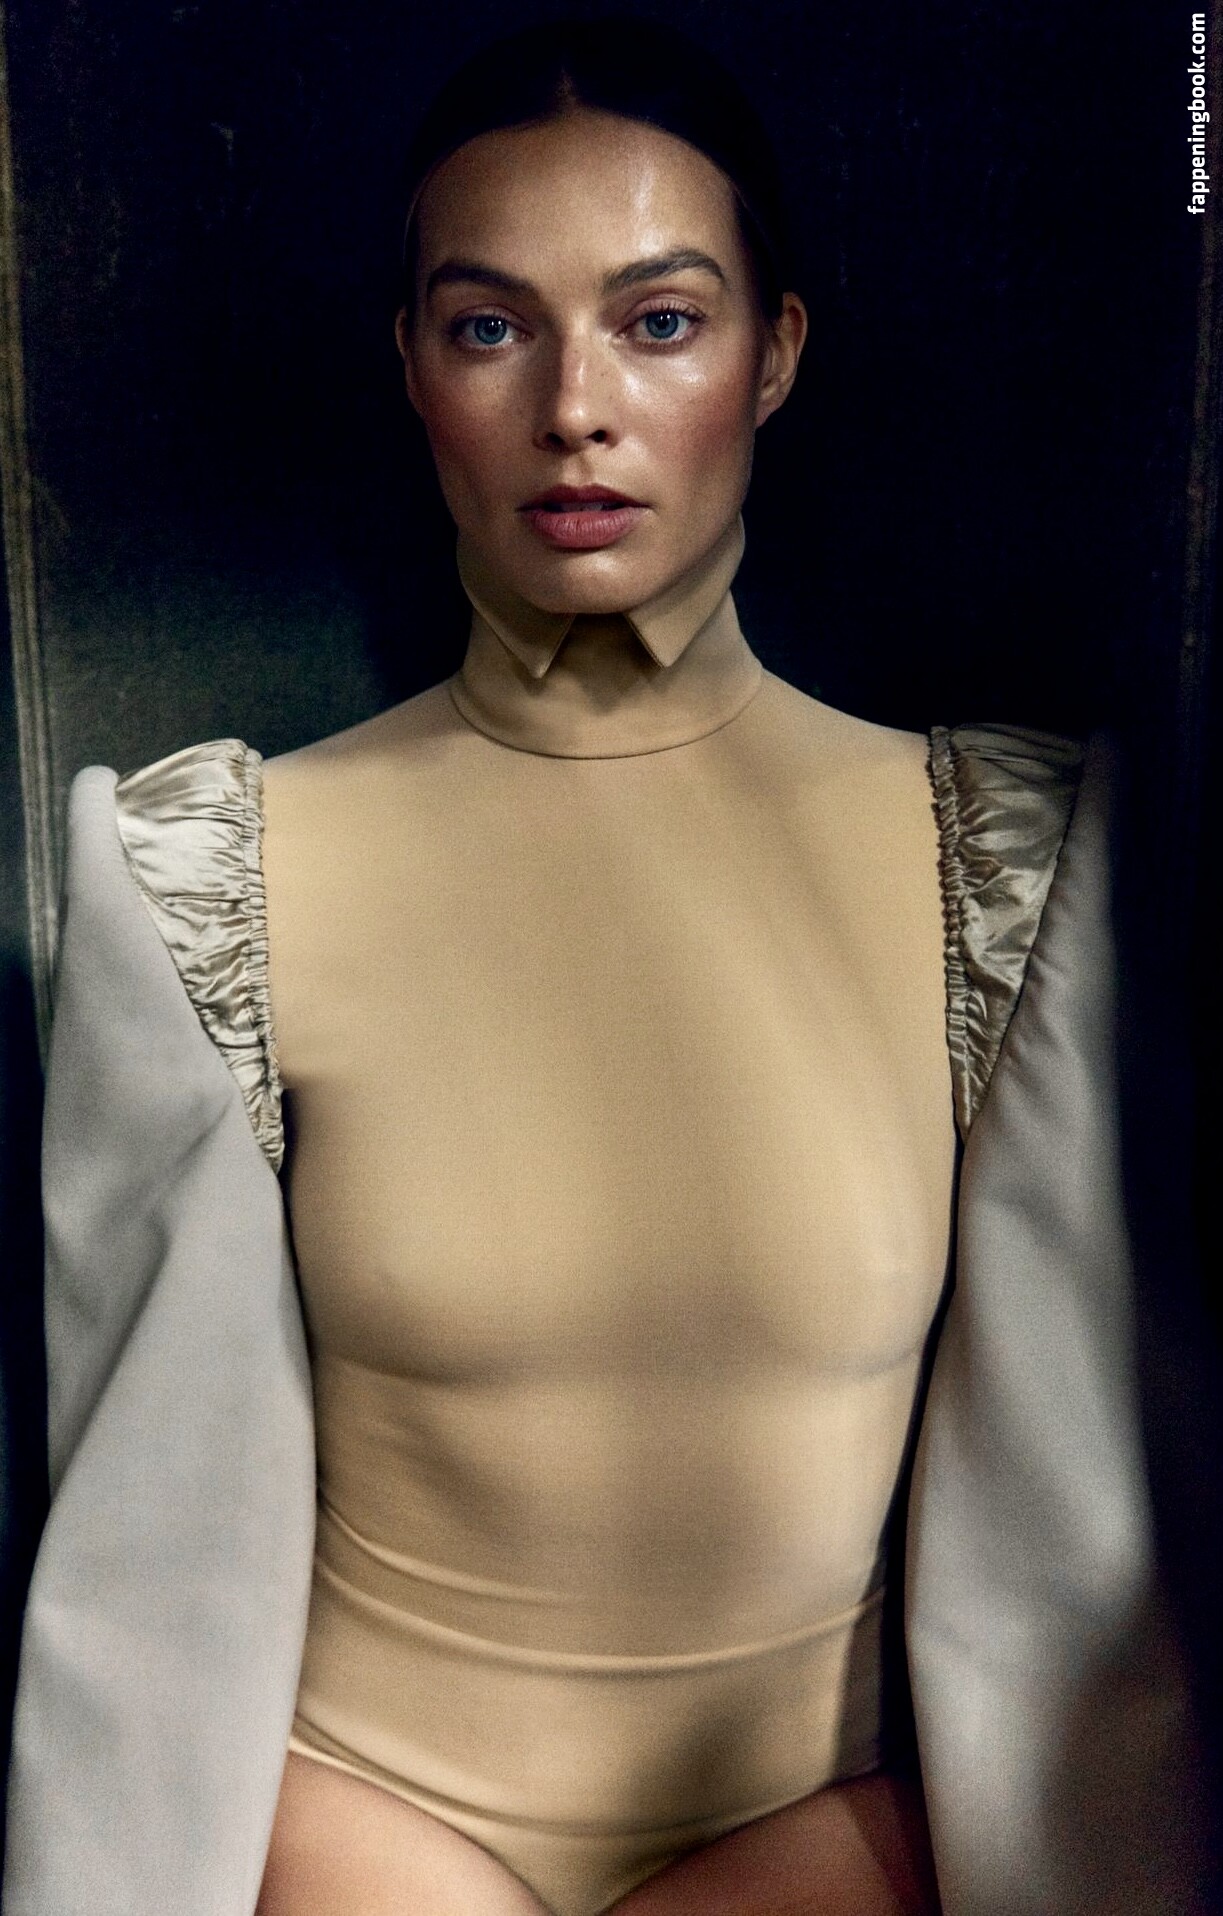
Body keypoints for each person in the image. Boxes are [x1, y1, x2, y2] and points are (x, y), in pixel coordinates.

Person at [2, 18, 1213, 1916]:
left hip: (840, 1859)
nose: (577, 406)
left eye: (659, 322)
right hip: (346, 1850)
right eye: (492, 326)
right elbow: (149, 1585)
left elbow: (1077, 1589)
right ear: (412, 366)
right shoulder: (207, 873)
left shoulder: (999, 865)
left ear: (773, 354)